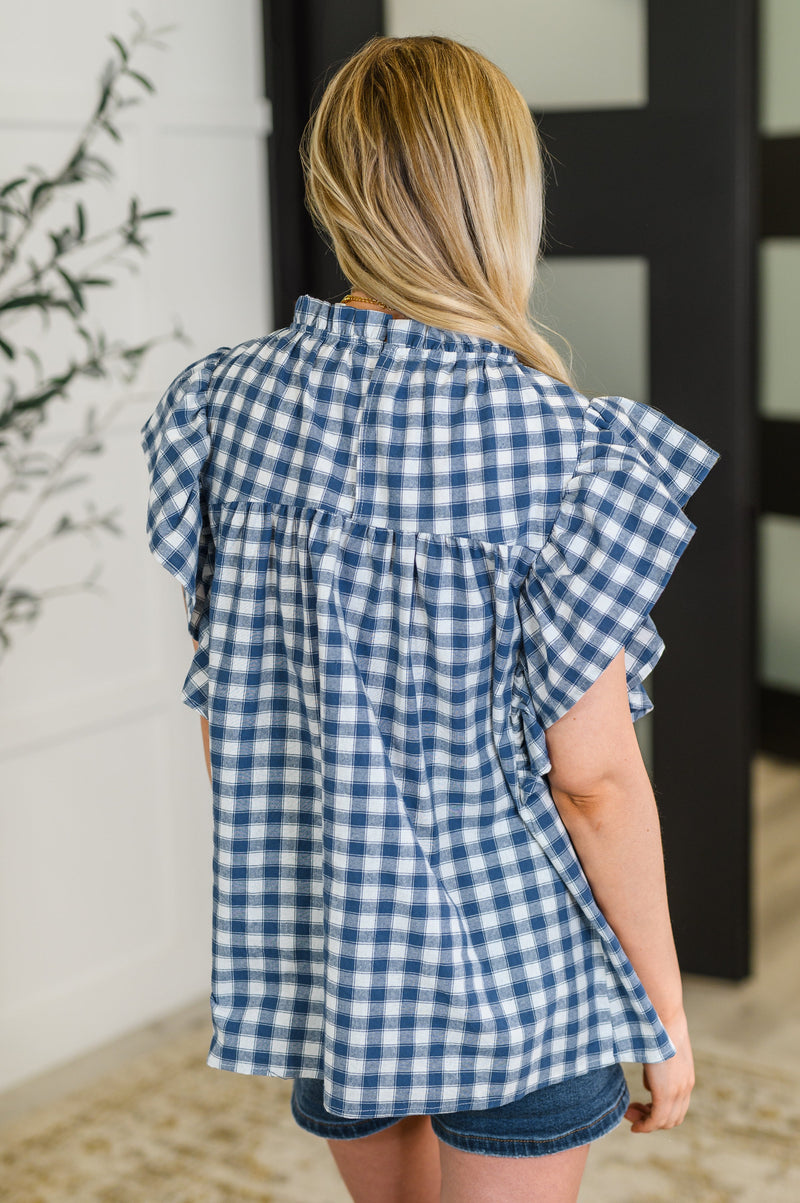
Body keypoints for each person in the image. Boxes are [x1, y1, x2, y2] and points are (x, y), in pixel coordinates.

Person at [140, 33, 720, 1203]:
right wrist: (660, 1009)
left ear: (333, 187)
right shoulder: (557, 449)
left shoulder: (222, 410)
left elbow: (228, 718)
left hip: (340, 959)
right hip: (520, 978)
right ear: (504, 195)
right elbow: (594, 780)